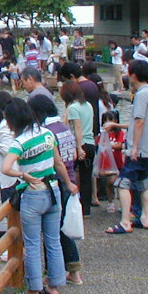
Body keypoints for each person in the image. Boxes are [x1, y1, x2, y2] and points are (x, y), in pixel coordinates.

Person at [0, 99, 77, 294]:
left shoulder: (19, 142)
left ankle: (34, 289)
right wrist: (69, 183)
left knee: (33, 243)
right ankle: (54, 286)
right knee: (53, 241)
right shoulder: (47, 134)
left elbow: (5, 168)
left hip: (33, 194)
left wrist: (23, 175)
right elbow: (59, 163)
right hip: (53, 190)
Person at [29, 93, 83, 285]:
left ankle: (64, 272)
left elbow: (55, 161)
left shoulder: (47, 132)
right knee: (60, 229)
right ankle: (64, 271)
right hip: (69, 177)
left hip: (58, 182)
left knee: (56, 231)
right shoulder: (64, 128)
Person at [105, 59, 148, 234]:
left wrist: (134, 147)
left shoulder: (142, 95)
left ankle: (125, 221)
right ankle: (145, 217)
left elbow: (139, 121)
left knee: (122, 183)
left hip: (140, 149)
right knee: (144, 182)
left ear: (134, 75)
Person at [60, 80, 95, 215]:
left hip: (79, 144)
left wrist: (79, 148)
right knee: (87, 177)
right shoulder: (88, 105)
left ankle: (68, 205)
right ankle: (86, 208)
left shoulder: (73, 108)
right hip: (90, 143)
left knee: (68, 173)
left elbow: (77, 128)